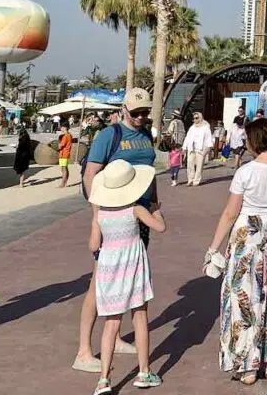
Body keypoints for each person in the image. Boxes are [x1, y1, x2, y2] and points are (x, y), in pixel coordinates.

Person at [206, 118, 267, 385]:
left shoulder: (246, 172)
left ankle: (247, 366)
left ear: (254, 140)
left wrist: (213, 248)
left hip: (248, 241)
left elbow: (230, 213)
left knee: (244, 299)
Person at [75, 88, 158, 374]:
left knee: (128, 280)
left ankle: (117, 337)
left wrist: (155, 205)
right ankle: (84, 350)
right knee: (100, 282)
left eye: (145, 112)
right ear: (124, 109)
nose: (140, 117)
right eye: (135, 113)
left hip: (138, 217)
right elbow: (90, 176)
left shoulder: (146, 136)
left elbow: (149, 172)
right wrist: (97, 218)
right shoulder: (109, 136)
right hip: (113, 217)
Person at [88, 159, 166, 393]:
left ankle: (103, 379)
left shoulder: (100, 213)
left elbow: (93, 244)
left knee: (111, 323)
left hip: (109, 268)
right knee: (140, 315)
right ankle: (144, 371)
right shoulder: (136, 209)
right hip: (133, 264)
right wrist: (157, 210)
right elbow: (160, 227)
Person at [183, 112, 214, 186]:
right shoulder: (192, 128)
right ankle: (190, 179)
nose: (195, 120)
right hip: (191, 148)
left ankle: (196, 181)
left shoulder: (205, 128)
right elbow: (187, 137)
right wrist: (184, 147)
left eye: (196, 118)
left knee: (199, 166)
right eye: (194, 118)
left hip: (200, 149)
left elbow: (209, 138)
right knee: (189, 164)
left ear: (200, 118)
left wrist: (208, 148)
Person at [58, 121, 73, 187]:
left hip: (63, 153)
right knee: (65, 168)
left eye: (61, 127)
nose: (61, 128)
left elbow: (61, 145)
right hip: (66, 153)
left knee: (63, 169)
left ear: (65, 128)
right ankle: (65, 182)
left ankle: (63, 183)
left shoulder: (65, 136)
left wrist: (58, 144)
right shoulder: (69, 135)